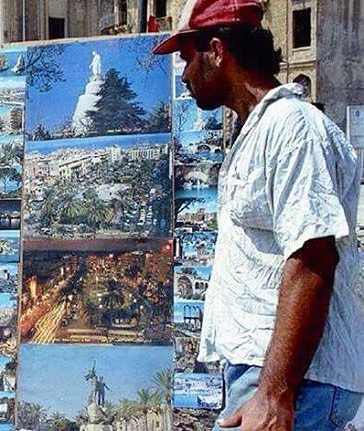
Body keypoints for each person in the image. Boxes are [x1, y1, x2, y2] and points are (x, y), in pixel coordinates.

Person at [153, 1, 363, 429]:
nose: (184, 73)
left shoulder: (292, 127)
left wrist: (274, 394)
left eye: (187, 58)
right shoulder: (258, 130)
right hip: (264, 373)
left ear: (216, 50)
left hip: (297, 381)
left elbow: (312, 259)